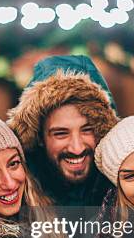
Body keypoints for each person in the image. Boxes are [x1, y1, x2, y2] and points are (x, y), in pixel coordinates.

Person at [7, 55, 118, 206]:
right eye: (61, 134)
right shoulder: (16, 196)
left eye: (87, 130)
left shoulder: (126, 187)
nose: (77, 148)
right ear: (39, 137)